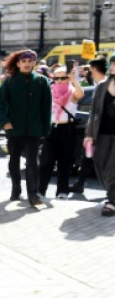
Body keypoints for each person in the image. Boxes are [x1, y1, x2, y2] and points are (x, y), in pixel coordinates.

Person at [0, 49, 52, 207]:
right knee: (14, 160)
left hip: (34, 130)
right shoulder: (10, 81)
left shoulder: (42, 81)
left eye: (29, 61)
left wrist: (45, 129)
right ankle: (16, 189)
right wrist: (4, 121)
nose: (27, 64)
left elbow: (47, 107)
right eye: (23, 61)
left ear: (34, 63)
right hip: (14, 129)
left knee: (32, 162)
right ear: (18, 64)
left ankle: (33, 195)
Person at [38, 66, 83, 199]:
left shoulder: (72, 91)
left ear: (68, 78)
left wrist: (74, 79)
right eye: (56, 78)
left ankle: (62, 191)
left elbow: (80, 94)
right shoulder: (49, 91)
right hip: (51, 128)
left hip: (67, 129)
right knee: (46, 162)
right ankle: (40, 191)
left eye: (63, 78)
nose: (59, 81)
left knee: (65, 162)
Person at [83, 58, 115, 216]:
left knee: (112, 167)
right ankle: (111, 192)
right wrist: (89, 134)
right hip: (102, 133)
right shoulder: (102, 86)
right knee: (101, 164)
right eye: (113, 63)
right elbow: (93, 111)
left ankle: (111, 201)